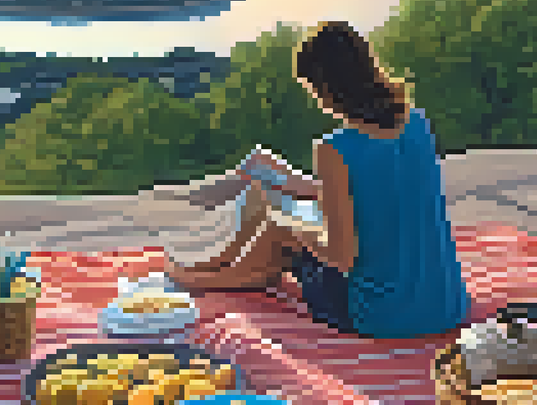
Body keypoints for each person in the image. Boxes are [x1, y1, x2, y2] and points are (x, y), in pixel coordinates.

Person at [166, 21, 471, 339]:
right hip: (446, 307)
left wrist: (296, 231)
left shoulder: (335, 148)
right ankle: (215, 268)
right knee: (273, 205)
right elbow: (380, 193)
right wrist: (300, 188)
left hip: (381, 315)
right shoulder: (417, 120)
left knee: (276, 224)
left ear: (326, 88)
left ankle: (202, 279)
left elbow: (342, 257)